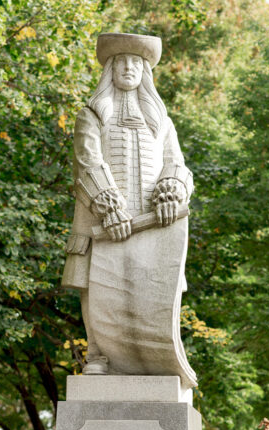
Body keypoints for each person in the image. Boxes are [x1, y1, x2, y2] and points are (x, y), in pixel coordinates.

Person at [63, 32, 194, 378]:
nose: (127, 67)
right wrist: (108, 206)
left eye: (135, 62)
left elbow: (177, 165)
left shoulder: (162, 123)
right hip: (103, 222)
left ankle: (155, 356)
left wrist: (170, 191)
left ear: (145, 72)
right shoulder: (90, 115)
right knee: (98, 284)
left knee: (154, 286)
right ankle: (98, 355)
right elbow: (87, 162)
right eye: (119, 61)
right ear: (109, 69)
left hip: (153, 223)